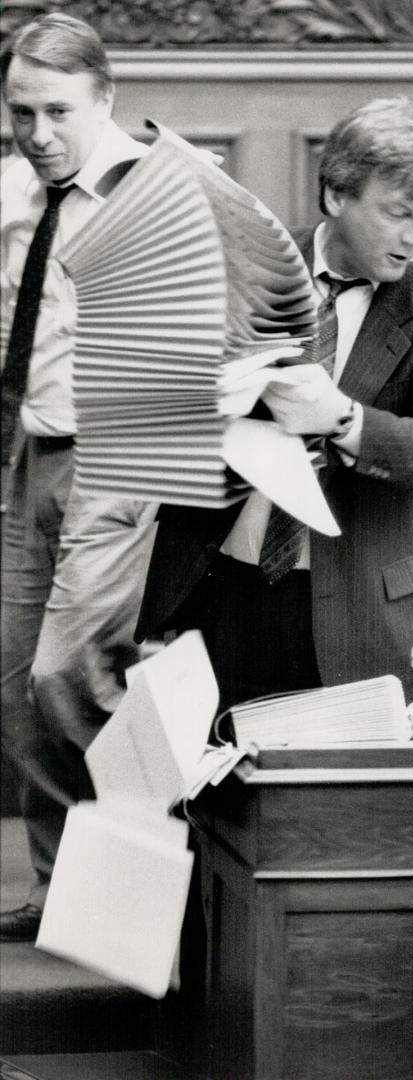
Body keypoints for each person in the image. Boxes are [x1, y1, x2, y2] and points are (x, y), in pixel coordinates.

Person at [135, 95, 413, 710]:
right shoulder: (244, 269)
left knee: (329, 802)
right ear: (336, 196)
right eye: (400, 213)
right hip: (215, 588)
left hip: (356, 615)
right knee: (204, 793)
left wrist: (344, 421)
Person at [0, 13, 157, 941]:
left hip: (122, 459)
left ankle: (132, 900)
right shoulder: (16, 198)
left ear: (106, 99)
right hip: (32, 459)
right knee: (17, 681)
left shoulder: (166, 193)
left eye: (59, 111)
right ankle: (64, 896)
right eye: (21, 113)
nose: (40, 133)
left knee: (72, 675)